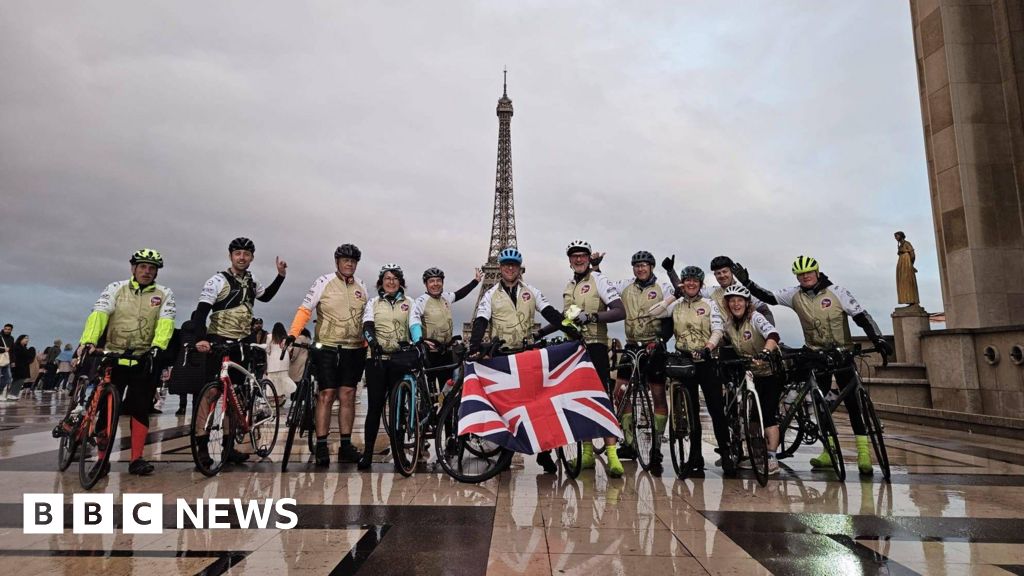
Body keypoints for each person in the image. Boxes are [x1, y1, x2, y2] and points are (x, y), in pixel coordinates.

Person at [734, 255, 893, 475]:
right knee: (821, 405)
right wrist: (748, 283)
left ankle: (863, 453)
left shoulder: (837, 292)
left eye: (808, 272)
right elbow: (769, 297)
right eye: (801, 274)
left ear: (817, 272)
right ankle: (829, 451)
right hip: (816, 355)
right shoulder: (794, 295)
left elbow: (861, 316)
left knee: (854, 403)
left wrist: (878, 339)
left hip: (842, 354)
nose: (805, 277)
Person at [76, 248, 176, 476]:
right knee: (106, 409)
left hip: (143, 357)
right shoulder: (115, 288)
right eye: (142, 267)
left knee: (140, 408)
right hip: (114, 354)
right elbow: (99, 314)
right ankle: (102, 460)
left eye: (152, 268)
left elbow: (166, 322)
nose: (147, 271)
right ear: (133, 268)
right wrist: (89, 340)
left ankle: (136, 459)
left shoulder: (164, 293)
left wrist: (158, 347)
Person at [469, 247, 568, 474]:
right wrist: (475, 344)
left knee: (539, 406)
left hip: (526, 354)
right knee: (508, 409)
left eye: (513, 265)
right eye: (506, 265)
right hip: (502, 356)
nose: (510, 268)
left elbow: (550, 312)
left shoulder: (531, 291)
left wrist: (571, 330)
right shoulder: (490, 294)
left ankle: (544, 453)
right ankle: (506, 452)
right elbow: (481, 320)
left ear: (520, 269)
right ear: (500, 268)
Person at [191, 237, 287, 468]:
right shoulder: (217, 280)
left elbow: (266, 297)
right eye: (237, 254)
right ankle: (201, 448)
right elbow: (201, 311)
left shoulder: (253, 282)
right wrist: (201, 338)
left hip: (242, 342)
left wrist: (280, 277)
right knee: (210, 395)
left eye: (246, 254)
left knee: (236, 395)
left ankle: (229, 447)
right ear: (230, 256)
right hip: (218, 339)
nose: (242, 257)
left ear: (252, 257)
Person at [539, 240, 627, 477]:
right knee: (579, 400)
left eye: (582, 256)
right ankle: (587, 451)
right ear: (569, 260)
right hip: (574, 347)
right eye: (574, 256)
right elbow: (564, 318)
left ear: (589, 259)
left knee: (601, 399)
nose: (578, 259)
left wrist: (593, 316)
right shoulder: (569, 286)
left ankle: (612, 454)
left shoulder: (599, 280)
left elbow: (620, 311)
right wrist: (538, 332)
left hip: (596, 345)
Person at [287, 244, 367, 467]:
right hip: (328, 347)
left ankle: (345, 444)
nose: (349, 263)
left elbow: (366, 318)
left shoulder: (362, 286)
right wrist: (293, 334)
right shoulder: (323, 281)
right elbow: (305, 309)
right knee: (326, 394)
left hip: (354, 348)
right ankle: (322, 444)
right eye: (345, 260)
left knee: (348, 395)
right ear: (337, 262)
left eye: (353, 261)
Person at [607, 251, 674, 473]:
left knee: (657, 395)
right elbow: (604, 289)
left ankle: (656, 445)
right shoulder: (625, 286)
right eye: (636, 266)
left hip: (653, 345)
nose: (640, 269)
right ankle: (629, 442)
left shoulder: (663, 288)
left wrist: (661, 341)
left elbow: (672, 315)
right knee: (619, 392)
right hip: (632, 344)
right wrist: (595, 269)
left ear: (652, 267)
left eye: (644, 265)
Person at [665, 265, 733, 476]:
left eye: (695, 281)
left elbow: (718, 329)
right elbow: (654, 313)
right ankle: (695, 457)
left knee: (716, 410)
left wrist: (708, 348)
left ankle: (726, 453)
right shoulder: (676, 304)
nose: (691, 283)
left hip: (707, 359)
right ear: (683, 283)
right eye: (687, 280)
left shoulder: (709, 303)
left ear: (701, 284)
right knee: (691, 412)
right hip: (685, 362)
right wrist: (671, 297)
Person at [720, 284, 782, 476]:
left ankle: (772, 457)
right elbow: (723, 341)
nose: (736, 304)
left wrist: (766, 351)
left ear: (747, 303)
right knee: (753, 417)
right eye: (732, 301)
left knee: (768, 414)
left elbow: (772, 335)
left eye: (740, 301)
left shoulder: (755, 317)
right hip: (752, 373)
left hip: (770, 370)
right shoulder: (729, 325)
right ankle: (757, 454)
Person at [359, 264, 414, 470]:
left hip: (400, 361)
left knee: (398, 410)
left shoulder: (410, 302)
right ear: (381, 282)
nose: (391, 282)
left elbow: (414, 325)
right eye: (387, 278)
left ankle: (399, 453)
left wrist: (415, 342)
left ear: (401, 282)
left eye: (395, 278)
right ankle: (367, 453)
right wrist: (374, 343)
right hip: (377, 361)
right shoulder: (373, 303)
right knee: (374, 408)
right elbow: (367, 326)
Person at [409, 266, 481, 388]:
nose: (435, 284)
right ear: (426, 284)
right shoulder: (420, 301)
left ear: (442, 282)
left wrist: (476, 282)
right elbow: (414, 321)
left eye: (438, 281)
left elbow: (460, 294)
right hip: (430, 352)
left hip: (446, 351)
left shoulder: (446, 297)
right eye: (432, 281)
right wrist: (419, 340)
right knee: (431, 389)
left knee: (447, 386)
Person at [262, 323, 296, 407]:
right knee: (283, 379)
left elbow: (267, 349)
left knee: (272, 380)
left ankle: (272, 399)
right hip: (284, 360)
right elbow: (290, 349)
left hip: (273, 361)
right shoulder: (287, 337)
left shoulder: (270, 336)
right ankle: (282, 397)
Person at [9, 335, 31, 400]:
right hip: (17, 365)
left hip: (23, 366)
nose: (27, 340)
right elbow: (12, 354)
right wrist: (13, 362)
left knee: (20, 380)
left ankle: (13, 394)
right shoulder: (16, 346)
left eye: (28, 338)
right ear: (20, 339)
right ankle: (12, 394)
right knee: (18, 380)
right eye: (25, 338)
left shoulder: (24, 347)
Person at [0, 324, 15, 399]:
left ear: (11, 330)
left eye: (9, 329)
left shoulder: (11, 338)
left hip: (7, 360)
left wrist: (12, 361)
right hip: (0, 358)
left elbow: (12, 351)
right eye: (5, 329)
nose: (7, 330)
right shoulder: (0, 336)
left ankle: (1, 392)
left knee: (8, 378)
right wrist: (3, 349)